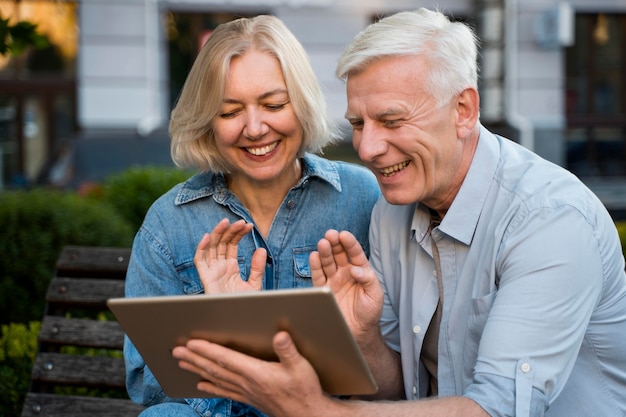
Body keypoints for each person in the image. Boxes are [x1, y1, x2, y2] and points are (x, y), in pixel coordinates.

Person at [172, 8, 626, 417]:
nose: (367, 148)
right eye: (357, 124)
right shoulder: (392, 210)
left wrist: (315, 410)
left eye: (391, 121)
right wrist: (363, 337)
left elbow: (497, 410)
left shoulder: (549, 219)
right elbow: (395, 393)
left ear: (463, 110)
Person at [124, 14, 380, 417]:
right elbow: (147, 382)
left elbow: (398, 364)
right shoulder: (169, 224)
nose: (255, 128)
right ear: (207, 123)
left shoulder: (362, 198)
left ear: (301, 103)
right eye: (229, 113)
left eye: (274, 104)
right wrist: (225, 331)